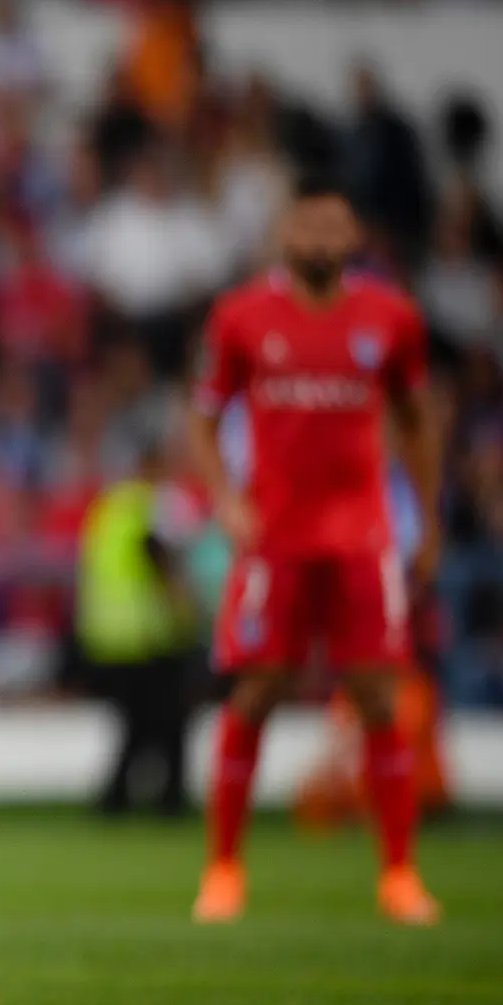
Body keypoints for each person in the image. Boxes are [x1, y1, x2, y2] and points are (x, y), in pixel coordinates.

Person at [189, 172, 444, 926]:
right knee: (258, 691)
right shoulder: (240, 318)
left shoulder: (392, 319)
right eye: (306, 228)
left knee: (375, 696)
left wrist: (426, 519)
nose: (319, 242)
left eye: (333, 228)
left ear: (353, 238)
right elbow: (202, 419)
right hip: (275, 537)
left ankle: (399, 874)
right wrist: (228, 502)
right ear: (284, 237)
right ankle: (223, 870)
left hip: (363, 537)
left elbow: (417, 421)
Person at [76, 441, 200, 816]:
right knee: (169, 721)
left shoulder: (110, 507)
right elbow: (159, 558)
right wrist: (185, 611)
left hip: (107, 635)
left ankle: (120, 798)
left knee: (136, 723)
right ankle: (166, 798)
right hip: (149, 634)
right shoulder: (158, 506)